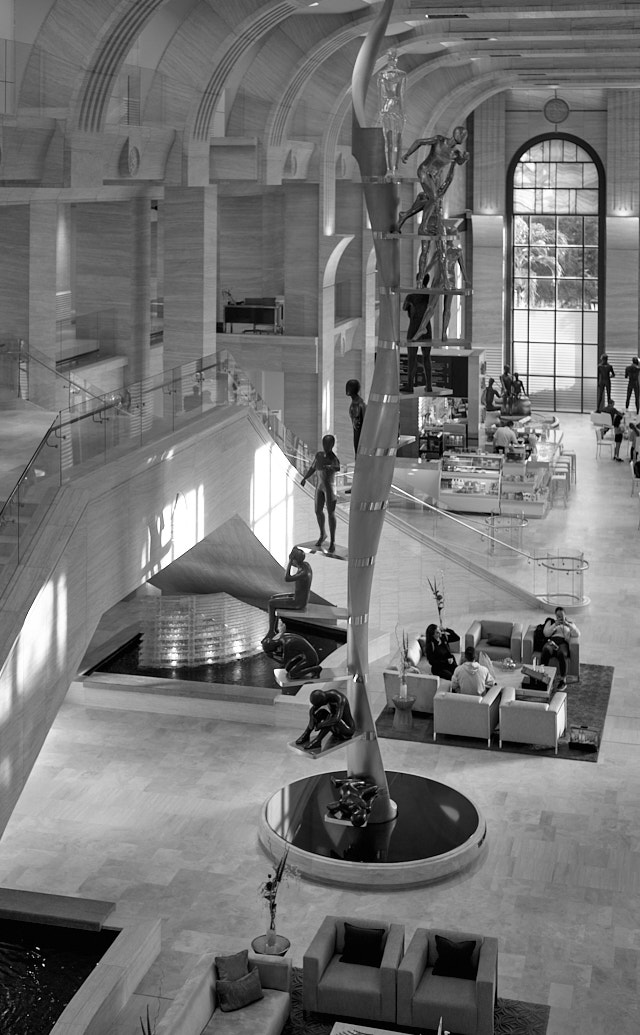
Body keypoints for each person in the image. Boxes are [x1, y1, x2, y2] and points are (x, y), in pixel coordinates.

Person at [263, 547, 313, 642]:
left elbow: (287, 578)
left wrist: (289, 561)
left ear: (294, 560)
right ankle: (275, 629)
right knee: (273, 598)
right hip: (298, 596)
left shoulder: (303, 572)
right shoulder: (305, 565)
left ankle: (271, 631)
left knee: (271, 603)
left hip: (298, 602)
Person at [301, 434, 341, 552]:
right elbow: (313, 468)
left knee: (331, 513)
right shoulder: (318, 455)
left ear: (332, 445)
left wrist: (331, 467)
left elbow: (337, 467)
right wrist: (305, 478)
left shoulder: (334, 458)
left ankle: (333, 541)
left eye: (328, 444)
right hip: (320, 487)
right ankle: (323, 534)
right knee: (318, 511)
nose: (326, 446)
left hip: (330, 488)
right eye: (324, 444)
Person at [294, 687, 356, 752]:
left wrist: (321, 725)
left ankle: (318, 740)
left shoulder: (340, 699)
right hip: (337, 730)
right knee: (321, 712)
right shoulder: (324, 696)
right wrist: (312, 718)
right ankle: (306, 735)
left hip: (347, 731)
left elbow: (337, 719)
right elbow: (312, 709)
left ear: (323, 701)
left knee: (332, 717)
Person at [376, 48, 406, 181]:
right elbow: (399, 95)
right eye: (391, 57)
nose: (392, 60)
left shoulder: (386, 75)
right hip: (391, 109)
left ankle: (394, 169)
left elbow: (400, 94)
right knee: (391, 140)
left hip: (390, 109)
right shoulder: (388, 75)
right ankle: (391, 169)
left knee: (394, 140)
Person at [402, 275, 433, 392]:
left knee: (412, 358)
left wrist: (410, 304)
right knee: (426, 357)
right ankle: (428, 386)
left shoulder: (412, 295)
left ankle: (410, 385)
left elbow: (404, 307)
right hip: (426, 327)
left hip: (414, 327)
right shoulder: (429, 294)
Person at [539, 607, 580, 689]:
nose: (560, 618)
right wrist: (555, 625)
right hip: (552, 641)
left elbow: (577, 634)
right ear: (555, 616)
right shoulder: (551, 622)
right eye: (558, 616)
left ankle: (563, 680)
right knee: (546, 650)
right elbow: (546, 633)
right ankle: (542, 677)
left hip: (563, 643)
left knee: (562, 653)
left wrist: (567, 624)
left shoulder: (570, 624)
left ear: (565, 615)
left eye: (561, 616)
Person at [345, 380, 366, 454]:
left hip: (360, 433)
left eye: (349, 387)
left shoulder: (359, 404)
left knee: (358, 452)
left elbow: (365, 421)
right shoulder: (355, 402)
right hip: (356, 431)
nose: (346, 389)